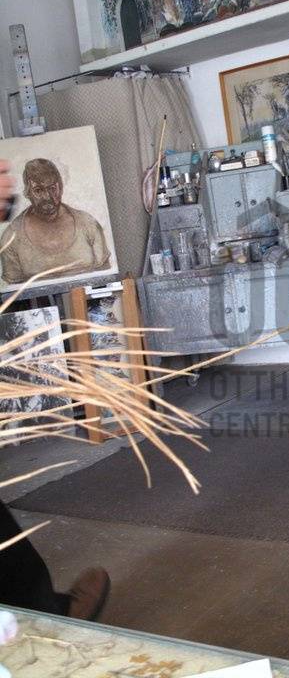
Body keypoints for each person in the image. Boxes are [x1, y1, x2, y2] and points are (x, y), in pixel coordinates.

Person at [0, 159, 110, 620]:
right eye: (36, 187)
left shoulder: (86, 225)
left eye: (53, 185)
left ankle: (37, 607)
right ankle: (41, 610)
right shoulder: (15, 239)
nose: (46, 194)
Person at [0, 158, 111, 285]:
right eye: (38, 190)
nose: (47, 197)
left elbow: (107, 279)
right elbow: (15, 292)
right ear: (28, 192)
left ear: (61, 188)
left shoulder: (88, 224)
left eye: (52, 188)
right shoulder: (11, 238)